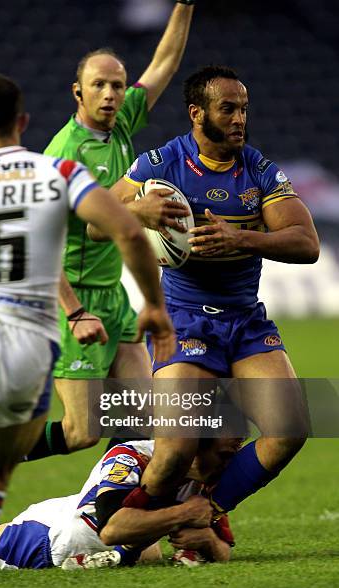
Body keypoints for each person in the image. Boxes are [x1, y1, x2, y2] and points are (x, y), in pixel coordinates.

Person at [0, 73, 175, 566]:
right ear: (23, 122)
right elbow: (126, 229)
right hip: (28, 341)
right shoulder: (58, 172)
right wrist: (154, 305)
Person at [111, 64, 320, 517]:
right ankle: (124, 524)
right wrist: (139, 213)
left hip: (244, 319)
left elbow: (307, 244)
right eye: (227, 109)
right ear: (197, 113)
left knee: (290, 429)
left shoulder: (260, 171)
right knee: (175, 450)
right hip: (184, 318)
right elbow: (95, 221)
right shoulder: (162, 163)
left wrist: (242, 238)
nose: (239, 118)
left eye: (244, 109)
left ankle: (204, 514)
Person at [22, 0, 196, 461]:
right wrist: (76, 312)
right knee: (82, 432)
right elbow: (58, 241)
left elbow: (165, 63)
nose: (110, 94)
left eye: (117, 85)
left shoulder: (120, 124)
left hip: (113, 299)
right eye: (98, 85)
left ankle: (132, 529)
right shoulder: (64, 154)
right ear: (77, 92)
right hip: (70, 299)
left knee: (143, 423)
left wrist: (184, 5)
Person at [0, 438, 239, 570]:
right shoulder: (129, 457)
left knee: (151, 552)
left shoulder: (209, 474)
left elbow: (223, 546)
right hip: (49, 537)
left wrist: (208, 541)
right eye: (225, 455)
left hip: (72, 513)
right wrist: (185, 513)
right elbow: (112, 529)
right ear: (195, 446)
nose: (230, 464)